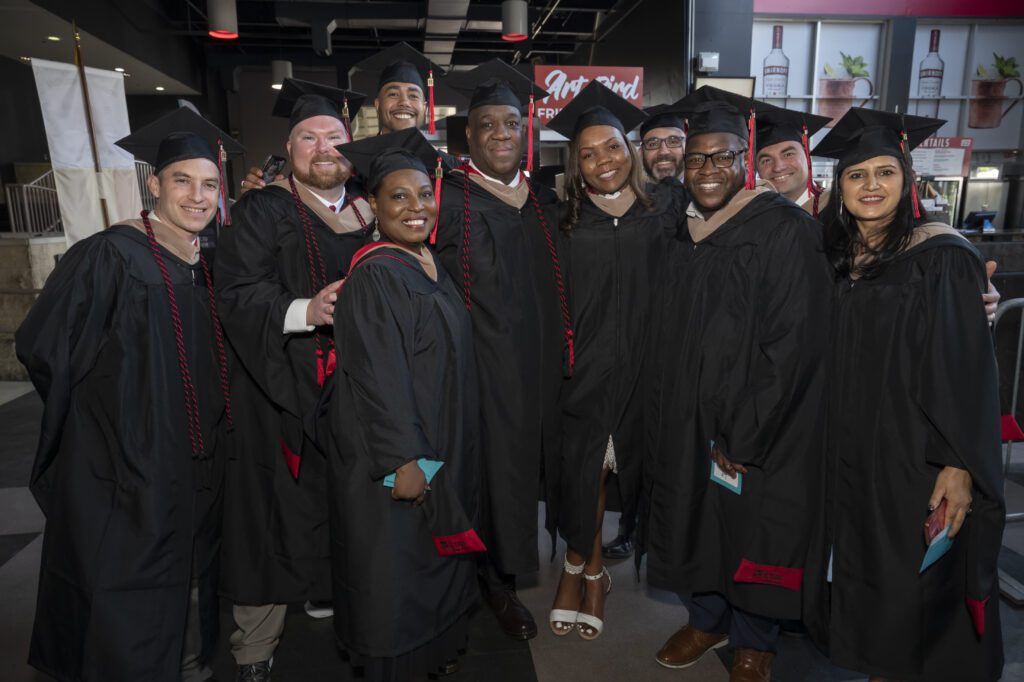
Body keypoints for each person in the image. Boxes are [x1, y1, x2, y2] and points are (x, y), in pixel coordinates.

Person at [16, 108, 240, 682]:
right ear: (154, 185)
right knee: (121, 587)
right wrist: (107, 423)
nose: (197, 196)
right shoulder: (111, 255)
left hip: (191, 464)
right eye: (182, 181)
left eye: (209, 184)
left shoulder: (201, 264)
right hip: (124, 466)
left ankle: (189, 664)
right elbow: (43, 345)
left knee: (189, 579)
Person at [803, 108, 1005, 682]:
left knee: (915, 594)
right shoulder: (838, 258)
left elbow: (965, 374)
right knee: (873, 587)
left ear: (907, 180)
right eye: (856, 174)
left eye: (884, 172)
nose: (871, 186)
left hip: (913, 458)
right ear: (839, 188)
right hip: (850, 455)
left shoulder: (940, 256)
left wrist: (958, 464)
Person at [645, 87, 832, 682]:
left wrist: (747, 432)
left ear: (743, 160)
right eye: (697, 158)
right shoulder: (679, 231)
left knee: (751, 528)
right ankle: (706, 619)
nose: (708, 169)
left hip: (755, 422)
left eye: (722, 156)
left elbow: (793, 343)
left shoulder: (781, 228)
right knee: (695, 517)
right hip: (686, 414)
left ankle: (755, 640)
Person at [214, 79, 374, 681]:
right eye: (308, 137)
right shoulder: (263, 208)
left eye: (334, 135)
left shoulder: (375, 206)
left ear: (351, 145)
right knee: (269, 513)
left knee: (353, 506)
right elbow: (235, 290)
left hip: (357, 391)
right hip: (277, 385)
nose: (323, 146)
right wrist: (307, 310)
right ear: (290, 147)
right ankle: (256, 645)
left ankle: (350, 608)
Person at [323, 128, 484, 681]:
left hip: (438, 445)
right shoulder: (376, 275)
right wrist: (403, 461)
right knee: (397, 580)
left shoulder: (424, 264)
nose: (416, 207)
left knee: (429, 569)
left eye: (423, 194)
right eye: (399, 196)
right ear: (372, 204)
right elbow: (376, 376)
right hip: (401, 460)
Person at [543, 81, 687, 640]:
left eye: (612, 147)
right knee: (587, 472)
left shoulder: (668, 212)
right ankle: (587, 567)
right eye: (588, 153)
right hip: (583, 370)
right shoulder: (562, 222)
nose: (602, 160)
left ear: (631, 151)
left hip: (648, 371)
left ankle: (584, 567)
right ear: (576, 166)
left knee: (624, 470)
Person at [436, 58, 571, 641]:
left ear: (525, 131)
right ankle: (495, 583)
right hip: (482, 373)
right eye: (487, 124)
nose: (499, 135)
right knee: (492, 477)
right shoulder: (447, 200)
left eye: (510, 124)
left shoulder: (548, 204)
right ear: (469, 135)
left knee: (535, 475)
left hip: (544, 371)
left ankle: (540, 567)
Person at [241, 43, 442, 192]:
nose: (404, 102)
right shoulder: (348, 163)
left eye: (413, 95)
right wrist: (266, 195)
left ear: (425, 107)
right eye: (393, 93)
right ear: (377, 105)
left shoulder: (445, 165)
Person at [753, 108, 831, 215]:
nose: (778, 167)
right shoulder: (755, 215)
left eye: (788, 154)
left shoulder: (836, 209)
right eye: (766, 160)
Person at [639, 105, 687, 183]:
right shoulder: (632, 194)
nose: (663, 151)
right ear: (641, 152)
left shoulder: (704, 193)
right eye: (653, 144)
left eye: (673, 142)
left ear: (687, 147)